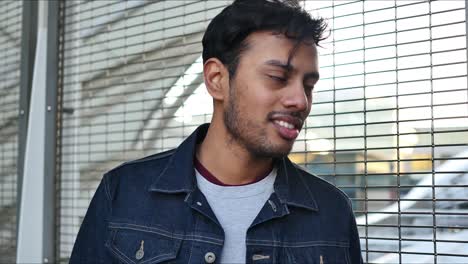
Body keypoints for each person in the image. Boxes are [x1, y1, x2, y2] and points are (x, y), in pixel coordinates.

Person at [70, 0, 363, 263]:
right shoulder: (123, 193)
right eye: (277, 77)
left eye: (308, 85)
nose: (300, 100)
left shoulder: (332, 212)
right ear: (216, 79)